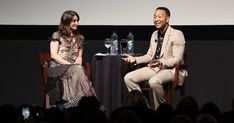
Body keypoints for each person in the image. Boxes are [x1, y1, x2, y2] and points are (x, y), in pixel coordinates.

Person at [122, 7, 187, 109]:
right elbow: (149, 56)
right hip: (154, 68)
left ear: (167, 19)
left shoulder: (177, 34)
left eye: (159, 16)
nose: (156, 19)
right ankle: (144, 108)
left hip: (170, 69)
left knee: (153, 81)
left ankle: (161, 110)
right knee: (128, 78)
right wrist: (135, 59)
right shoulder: (154, 34)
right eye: (154, 17)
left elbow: (177, 59)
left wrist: (161, 63)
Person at [47, 10, 96, 109]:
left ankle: (80, 102)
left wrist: (77, 61)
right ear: (66, 21)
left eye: (77, 20)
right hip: (58, 66)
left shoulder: (79, 37)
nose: (76, 23)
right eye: (74, 21)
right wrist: (69, 65)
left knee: (78, 69)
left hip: (74, 68)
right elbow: (53, 55)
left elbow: (79, 57)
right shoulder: (57, 35)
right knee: (78, 69)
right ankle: (89, 98)